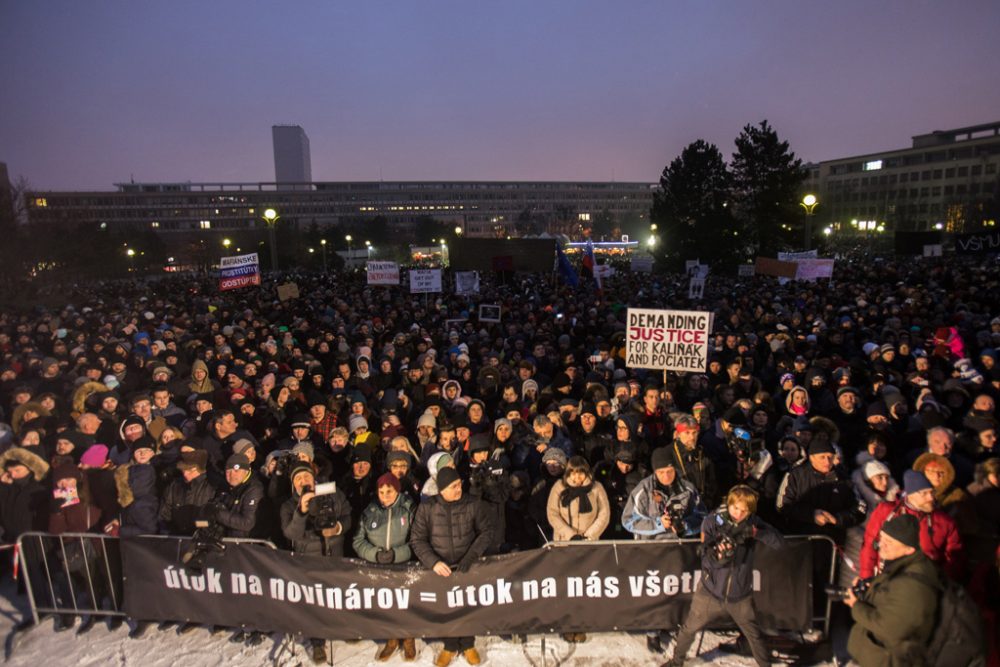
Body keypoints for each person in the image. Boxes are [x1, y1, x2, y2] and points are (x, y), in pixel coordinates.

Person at [665, 485, 784, 667]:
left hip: (740, 595)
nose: (739, 513)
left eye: (744, 510)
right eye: (735, 508)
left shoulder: (754, 522)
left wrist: (756, 533)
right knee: (689, 629)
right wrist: (721, 557)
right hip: (710, 592)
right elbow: (706, 559)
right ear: (728, 505)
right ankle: (676, 662)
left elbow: (779, 543)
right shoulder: (712, 522)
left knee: (754, 635)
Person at [622, 447, 706, 653]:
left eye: (669, 470)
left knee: (677, 590)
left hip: (678, 548)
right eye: (660, 472)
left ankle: (675, 624)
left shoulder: (687, 488)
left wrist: (685, 526)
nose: (666, 476)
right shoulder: (643, 489)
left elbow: (703, 515)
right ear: (654, 472)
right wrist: (658, 524)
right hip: (651, 551)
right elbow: (628, 521)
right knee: (654, 594)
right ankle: (652, 633)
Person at [409, 467, 495, 667]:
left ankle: (468, 644)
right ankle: (449, 646)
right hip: (441, 569)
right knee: (446, 608)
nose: (459, 489)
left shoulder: (472, 504)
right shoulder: (428, 508)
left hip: (467, 566)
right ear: (441, 490)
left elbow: (486, 531)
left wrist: (472, 556)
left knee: (467, 607)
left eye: (459, 485)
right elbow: (417, 539)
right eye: (453, 487)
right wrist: (434, 562)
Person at [846, 514, 940, 666]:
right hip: (875, 656)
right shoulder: (899, 564)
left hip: (887, 661)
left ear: (909, 549)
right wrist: (870, 590)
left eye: (889, 542)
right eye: (882, 538)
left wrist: (856, 605)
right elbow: (893, 602)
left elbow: (889, 628)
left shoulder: (913, 583)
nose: (881, 545)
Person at [353, 472, 418, 662]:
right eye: (381, 492)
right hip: (379, 566)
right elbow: (357, 541)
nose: (385, 495)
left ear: (397, 491)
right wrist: (375, 554)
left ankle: (408, 638)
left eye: (389, 491)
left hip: (403, 565)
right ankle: (391, 639)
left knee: (405, 604)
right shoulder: (370, 511)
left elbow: (417, 540)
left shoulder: (408, 508)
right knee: (387, 605)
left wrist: (398, 554)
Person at [545, 455, 609, 643]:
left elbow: (604, 513)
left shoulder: (596, 489)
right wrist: (569, 534)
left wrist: (589, 535)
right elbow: (552, 513)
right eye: (573, 473)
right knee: (566, 586)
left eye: (580, 473)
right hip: (564, 544)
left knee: (584, 586)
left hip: (588, 545)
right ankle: (566, 624)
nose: (577, 478)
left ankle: (581, 624)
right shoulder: (559, 488)